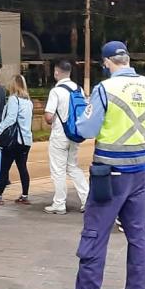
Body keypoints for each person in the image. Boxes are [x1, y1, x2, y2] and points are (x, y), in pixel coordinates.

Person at [57, 41, 145, 289]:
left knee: (96, 233)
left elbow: (86, 128)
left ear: (107, 62)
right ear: (128, 59)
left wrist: (79, 117)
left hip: (110, 174)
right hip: (140, 171)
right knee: (138, 236)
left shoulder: (105, 89)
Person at [44, 60, 89, 214]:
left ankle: (59, 203)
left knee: (58, 170)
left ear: (57, 72)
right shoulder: (79, 89)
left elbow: (49, 117)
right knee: (73, 167)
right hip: (75, 134)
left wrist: (53, 119)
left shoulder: (56, 91)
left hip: (59, 135)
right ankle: (87, 200)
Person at [0, 75, 33, 205]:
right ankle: (24, 195)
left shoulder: (14, 99)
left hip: (14, 141)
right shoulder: (29, 102)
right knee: (22, 167)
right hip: (26, 141)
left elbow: (10, 119)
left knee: (4, 168)